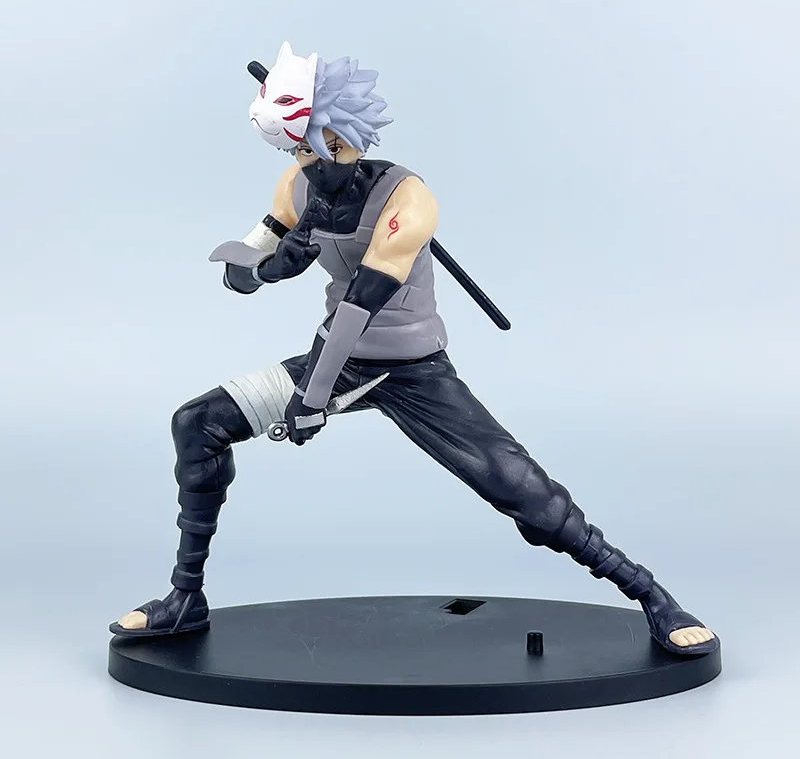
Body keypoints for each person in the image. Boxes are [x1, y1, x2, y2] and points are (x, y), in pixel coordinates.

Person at [110, 42, 718, 657]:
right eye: (295, 151)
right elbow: (237, 270)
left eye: (316, 149)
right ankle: (184, 597)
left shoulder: (407, 200)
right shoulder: (294, 187)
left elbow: (360, 306)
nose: (307, 163)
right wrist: (269, 269)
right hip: (340, 363)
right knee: (196, 424)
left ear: (343, 138)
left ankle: (652, 596)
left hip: (412, 369)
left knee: (524, 492)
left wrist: (312, 400)